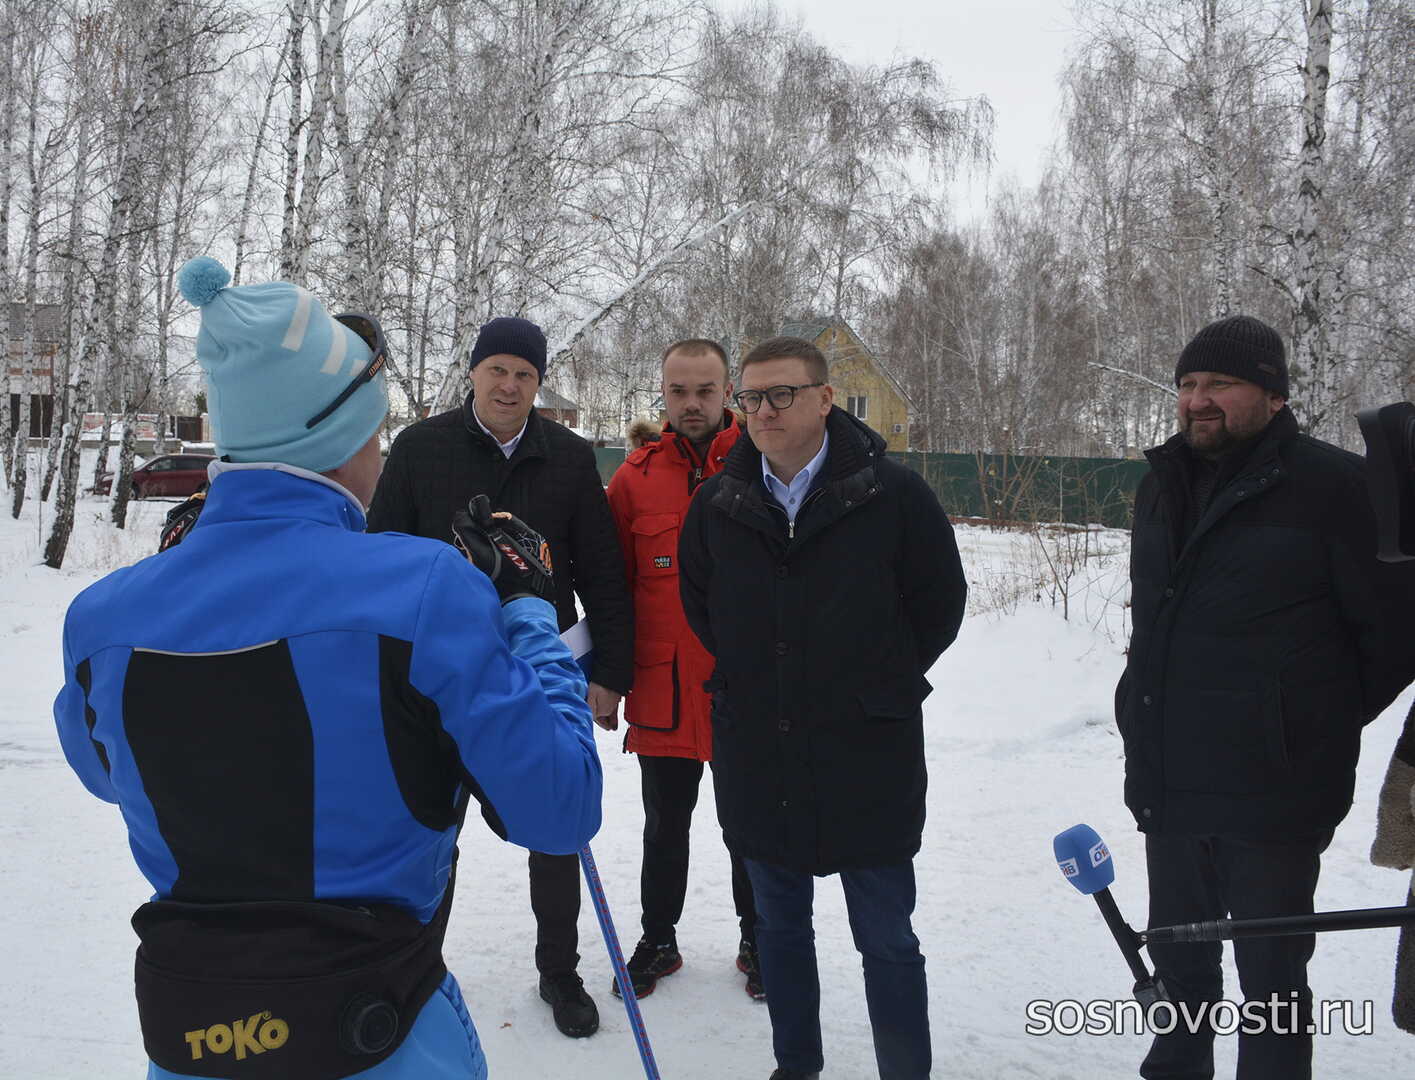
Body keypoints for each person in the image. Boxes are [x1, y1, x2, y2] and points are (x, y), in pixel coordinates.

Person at [52, 257, 602, 1080]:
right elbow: (559, 808)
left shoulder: (103, 617)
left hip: (196, 1037)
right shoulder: (423, 588)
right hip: (382, 1031)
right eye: (375, 429)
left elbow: (105, 771)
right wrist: (527, 610)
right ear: (343, 436)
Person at [1116, 313, 1414, 1080]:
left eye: (1220, 383)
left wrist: (1299, 719)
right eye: (1186, 384)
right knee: (1179, 967)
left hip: (1273, 790)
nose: (1197, 399)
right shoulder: (1159, 485)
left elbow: (1393, 632)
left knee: (1270, 986)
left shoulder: (1335, 487)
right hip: (1169, 780)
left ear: (1273, 395)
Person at [678, 335, 967, 1080]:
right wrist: (762, 681)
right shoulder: (719, 502)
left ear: (824, 398)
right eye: (750, 398)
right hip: (758, 756)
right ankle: (795, 1065)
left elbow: (938, 605)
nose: (762, 411)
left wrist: (878, 684)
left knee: (887, 940)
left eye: (780, 394)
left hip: (865, 752)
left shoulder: (892, 495)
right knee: (779, 929)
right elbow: (702, 606)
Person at [366, 316, 632, 1039]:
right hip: (434, 670)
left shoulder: (570, 459)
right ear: (474, 374)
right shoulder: (421, 447)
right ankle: (409, 967)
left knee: (553, 820)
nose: (510, 386)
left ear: (538, 384)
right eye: (498, 371)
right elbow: (378, 553)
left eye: (524, 375)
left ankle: (560, 971)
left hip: (536, 664)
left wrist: (609, 669)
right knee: (424, 824)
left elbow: (603, 568)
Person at [605, 338, 761, 1001]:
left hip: (745, 689)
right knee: (664, 823)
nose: (691, 403)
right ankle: (657, 939)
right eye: (678, 391)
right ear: (661, 394)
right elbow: (609, 592)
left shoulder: (765, 466)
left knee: (749, 825)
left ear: (727, 392)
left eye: (704, 390)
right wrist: (608, 674)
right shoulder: (633, 479)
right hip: (662, 689)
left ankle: (761, 940)